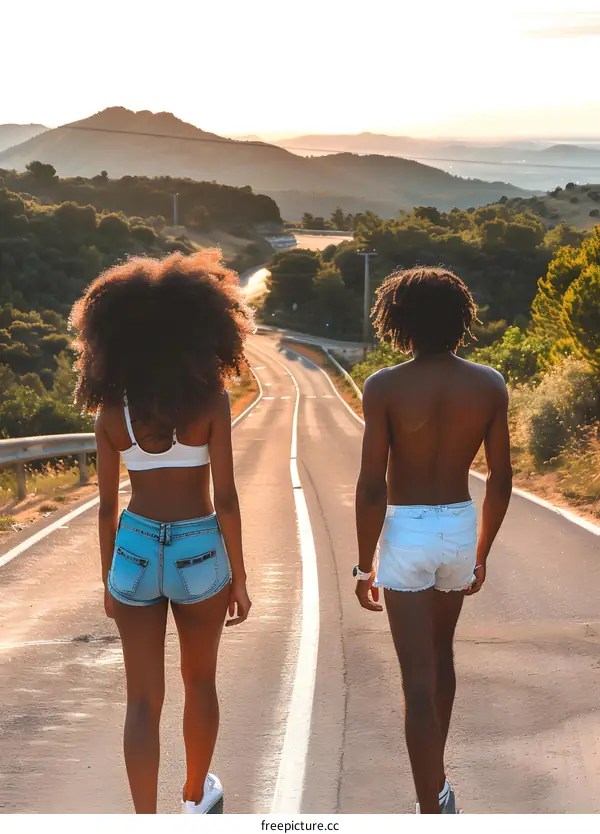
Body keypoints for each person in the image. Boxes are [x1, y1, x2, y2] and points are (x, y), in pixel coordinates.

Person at [70, 250, 253, 814]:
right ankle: (195, 797)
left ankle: (144, 820)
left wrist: (108, 580)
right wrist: (240, 578)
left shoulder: (110, 415)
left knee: (142, 701)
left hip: (135, 550)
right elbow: (226, 498)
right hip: (199, 545)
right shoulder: (211, 401)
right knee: (200, 681)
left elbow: (107, 509)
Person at [353, 267, 512, 814]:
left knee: (416, 680)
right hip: (459, 526)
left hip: (407, 530)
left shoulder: (384, 386)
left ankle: (430, 804)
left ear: (398, 321)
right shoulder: (489, 384)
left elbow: (371, 486)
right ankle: (438, 786)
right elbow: (502, 480)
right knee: (442, 655)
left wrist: (363, 565)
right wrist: (481, 553)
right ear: (460, 319)